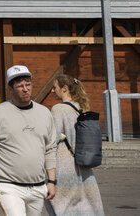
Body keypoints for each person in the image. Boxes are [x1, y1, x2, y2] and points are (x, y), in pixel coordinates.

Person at [0, 65, 57, 214]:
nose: (25, 89)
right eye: (20, 86)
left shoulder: (44, 113)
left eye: (28, 84)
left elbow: (50, 148)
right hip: (8, 186)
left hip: (38, 186)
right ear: (10, 88)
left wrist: (51, 181)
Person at [46, 74, 104, 215]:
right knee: (85, 208)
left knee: (63, 208)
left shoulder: (58, 109)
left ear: (64, 88)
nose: (52, 91)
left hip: (64, 166)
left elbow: (52, 139)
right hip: (83, 165)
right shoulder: (81, 108)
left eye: (54, 88)